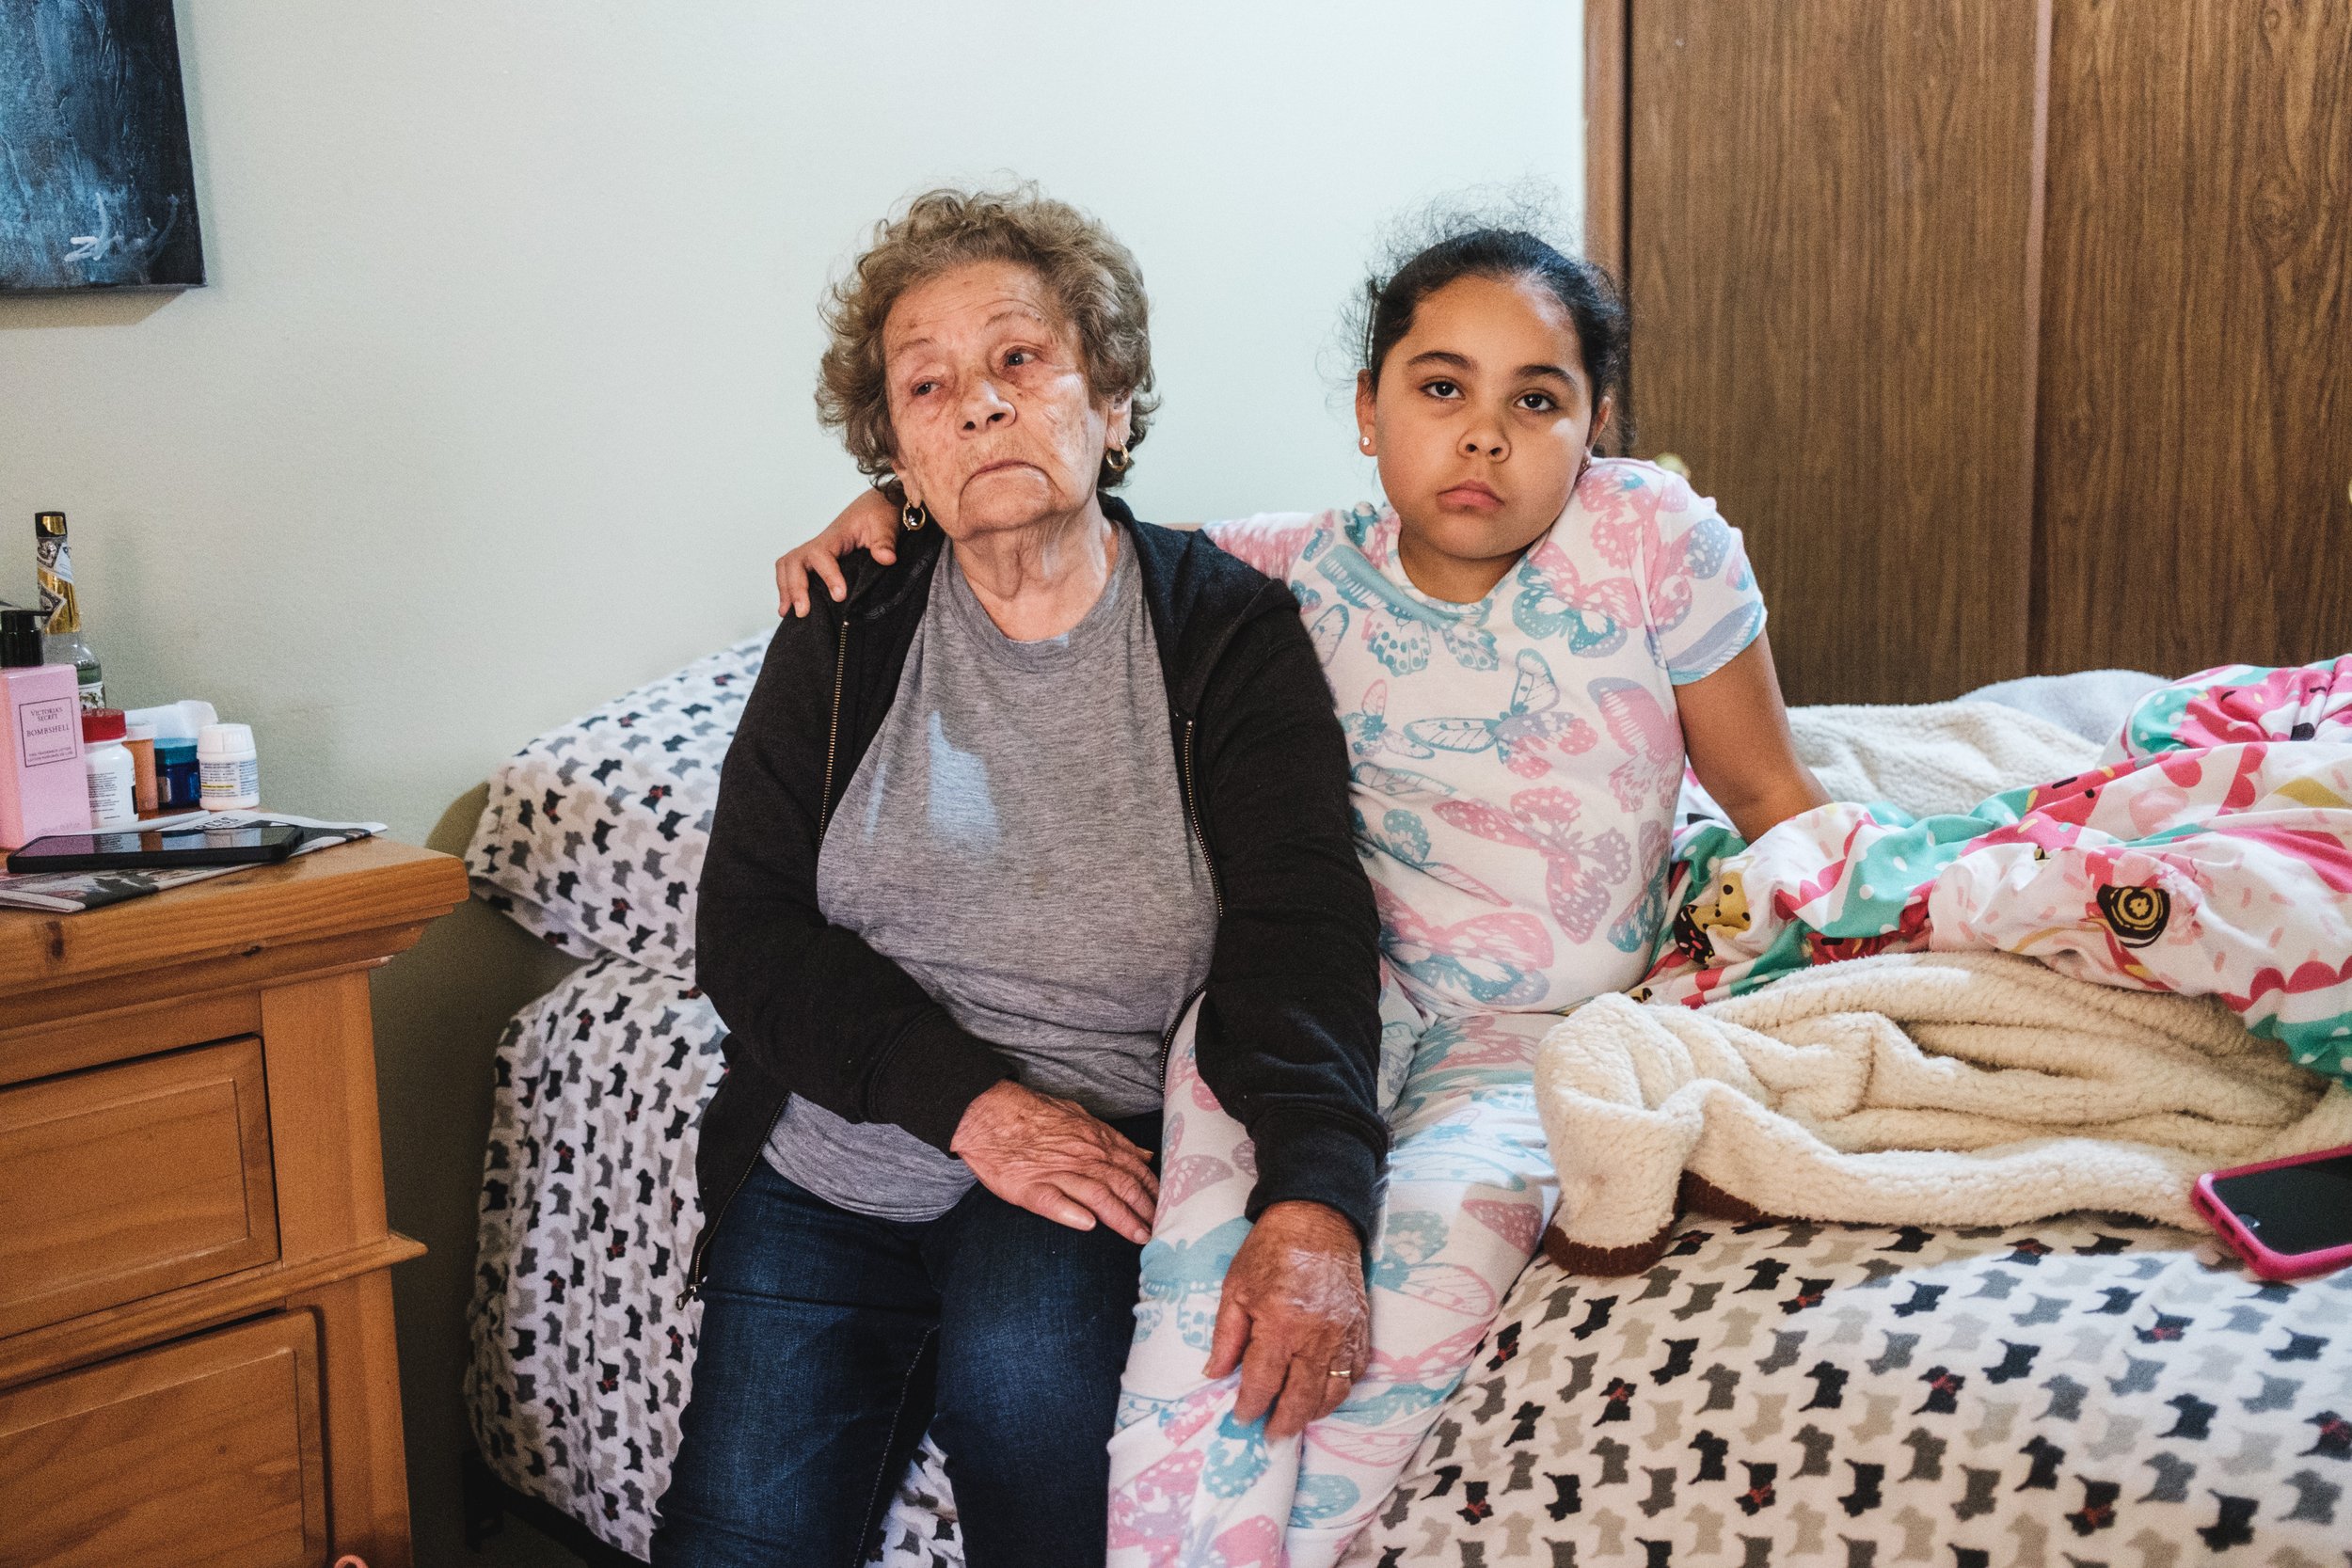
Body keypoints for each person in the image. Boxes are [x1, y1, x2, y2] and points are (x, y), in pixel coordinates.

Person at [779, 215, 1832, 1564]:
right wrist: (895, 519)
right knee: (1193, 1339)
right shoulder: (1275, 574)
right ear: (1367, 408)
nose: (1485, 435)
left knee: (1385, 1318)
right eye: (1441, 387)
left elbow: (1773, 807)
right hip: (1293, 1021)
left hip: (1527, 1048)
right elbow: (1058, 522)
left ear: (1598, 425)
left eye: (1539, 399)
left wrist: (1831, 980)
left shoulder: (1649, 539)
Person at [657, 185, 1389, 1568]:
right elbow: (743, 936)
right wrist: (969, 1105)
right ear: (900, 461)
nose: (980, 406)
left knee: (1025, 1407)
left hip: (1089, 1150)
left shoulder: (1226, 631)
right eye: (927, 388)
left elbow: (1301, 935)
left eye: (1020, 360)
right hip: (836, 1150)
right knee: (733, 1539)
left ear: (1110, 402)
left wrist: (1316, 1194)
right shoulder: (846, 624)